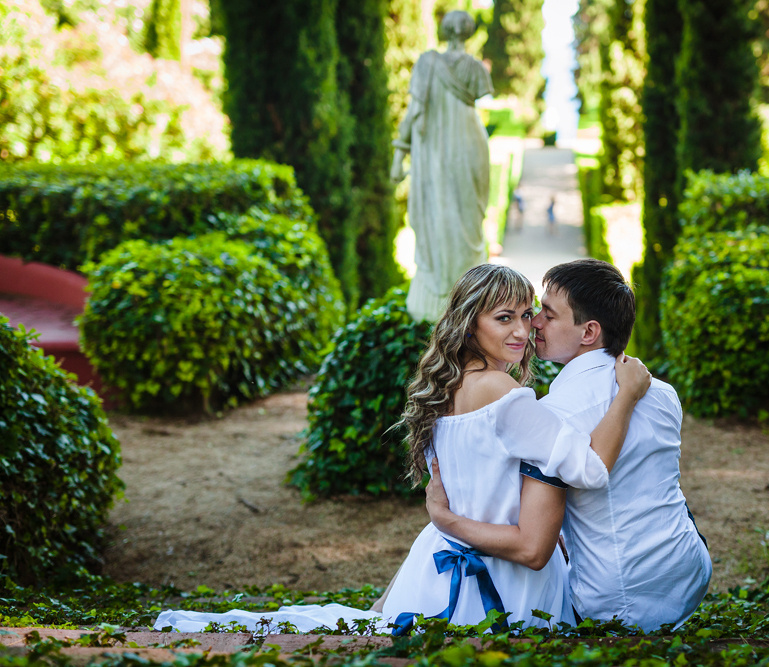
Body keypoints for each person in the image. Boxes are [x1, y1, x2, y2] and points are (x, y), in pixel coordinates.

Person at [154, 264, 651, 634]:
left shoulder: (450, 386)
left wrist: (445, 523)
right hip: (503, 581)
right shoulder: (502, 392)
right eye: (504, 318)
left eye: (527, 314)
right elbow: (586, 469)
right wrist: (626, 395)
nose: (523, 330)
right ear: (468, 322)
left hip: (438, 560)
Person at [425, 259, 712, 632]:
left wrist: (446, 520)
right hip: (690, 572)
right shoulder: (663, 393)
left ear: (588, 332)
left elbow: (551, 520)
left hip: (614, 596)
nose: (534, 325)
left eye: (546, 313)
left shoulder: (553, 413)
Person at [391, 10, 492, 323]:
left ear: (444, 29)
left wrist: (399, 154)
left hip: (438, 151)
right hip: (469, 146)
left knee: (440, 221)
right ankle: (467, 301)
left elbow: (414, 111)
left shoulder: (427, 62)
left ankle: (444, 301)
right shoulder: (474, 67)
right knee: (465, 222)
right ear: (470, 32)